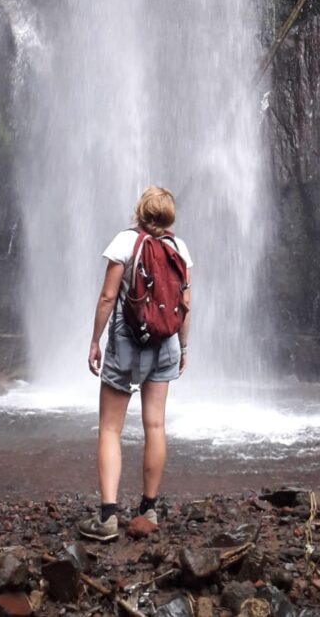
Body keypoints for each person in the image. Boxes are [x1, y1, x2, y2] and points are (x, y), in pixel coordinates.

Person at [78, 185, 192, 541]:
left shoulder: (125, 242)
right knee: (155, 425)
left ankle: (107, 518)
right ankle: (149, 508)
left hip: (128, 343)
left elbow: (108, 297)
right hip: (165, 342)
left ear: (140, 212)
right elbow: (185, 305)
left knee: (110, 428)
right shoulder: (179, 248)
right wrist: (183, 347)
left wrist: (95, 340)